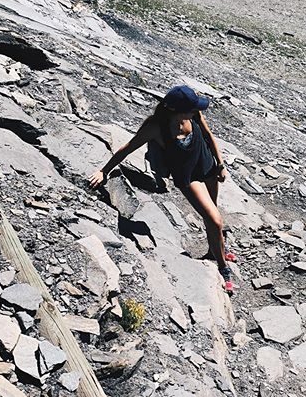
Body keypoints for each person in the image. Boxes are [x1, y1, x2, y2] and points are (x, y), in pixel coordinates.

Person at [89, 85, 235, 294]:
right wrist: (104, 171)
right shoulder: (156, 127)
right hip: (187, 177)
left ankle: (216, 249)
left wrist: (220, 164)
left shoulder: (193, 113)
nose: (196, 111)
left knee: (213, 215)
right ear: (177, 110)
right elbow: (128, 148)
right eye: (191, 109)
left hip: (207, 165)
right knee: (214, 219)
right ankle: (223, 267)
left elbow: (208, 134)